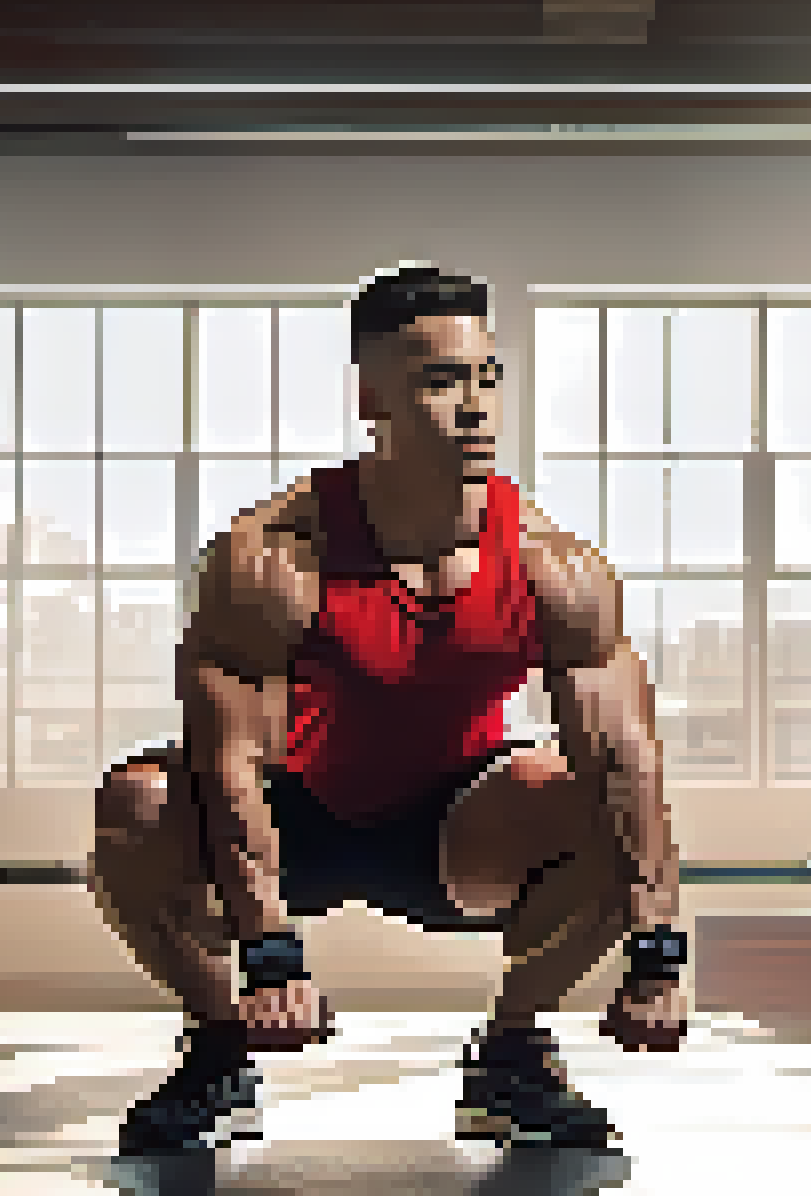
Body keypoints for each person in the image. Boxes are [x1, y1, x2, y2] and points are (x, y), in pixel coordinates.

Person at [90, 265, 688, 1156]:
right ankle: (219, 1051)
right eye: (441, 379)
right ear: (372, 394)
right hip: (297, 818)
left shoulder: (551, 564)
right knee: (136, 804)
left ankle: (514, 1054)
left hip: (457, 829)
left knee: (582, 790)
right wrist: (268, 955)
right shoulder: (275, 556)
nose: (476, 404)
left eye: (487, 376)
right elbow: (227, 760)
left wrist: (657, 953)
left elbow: (627, 759)